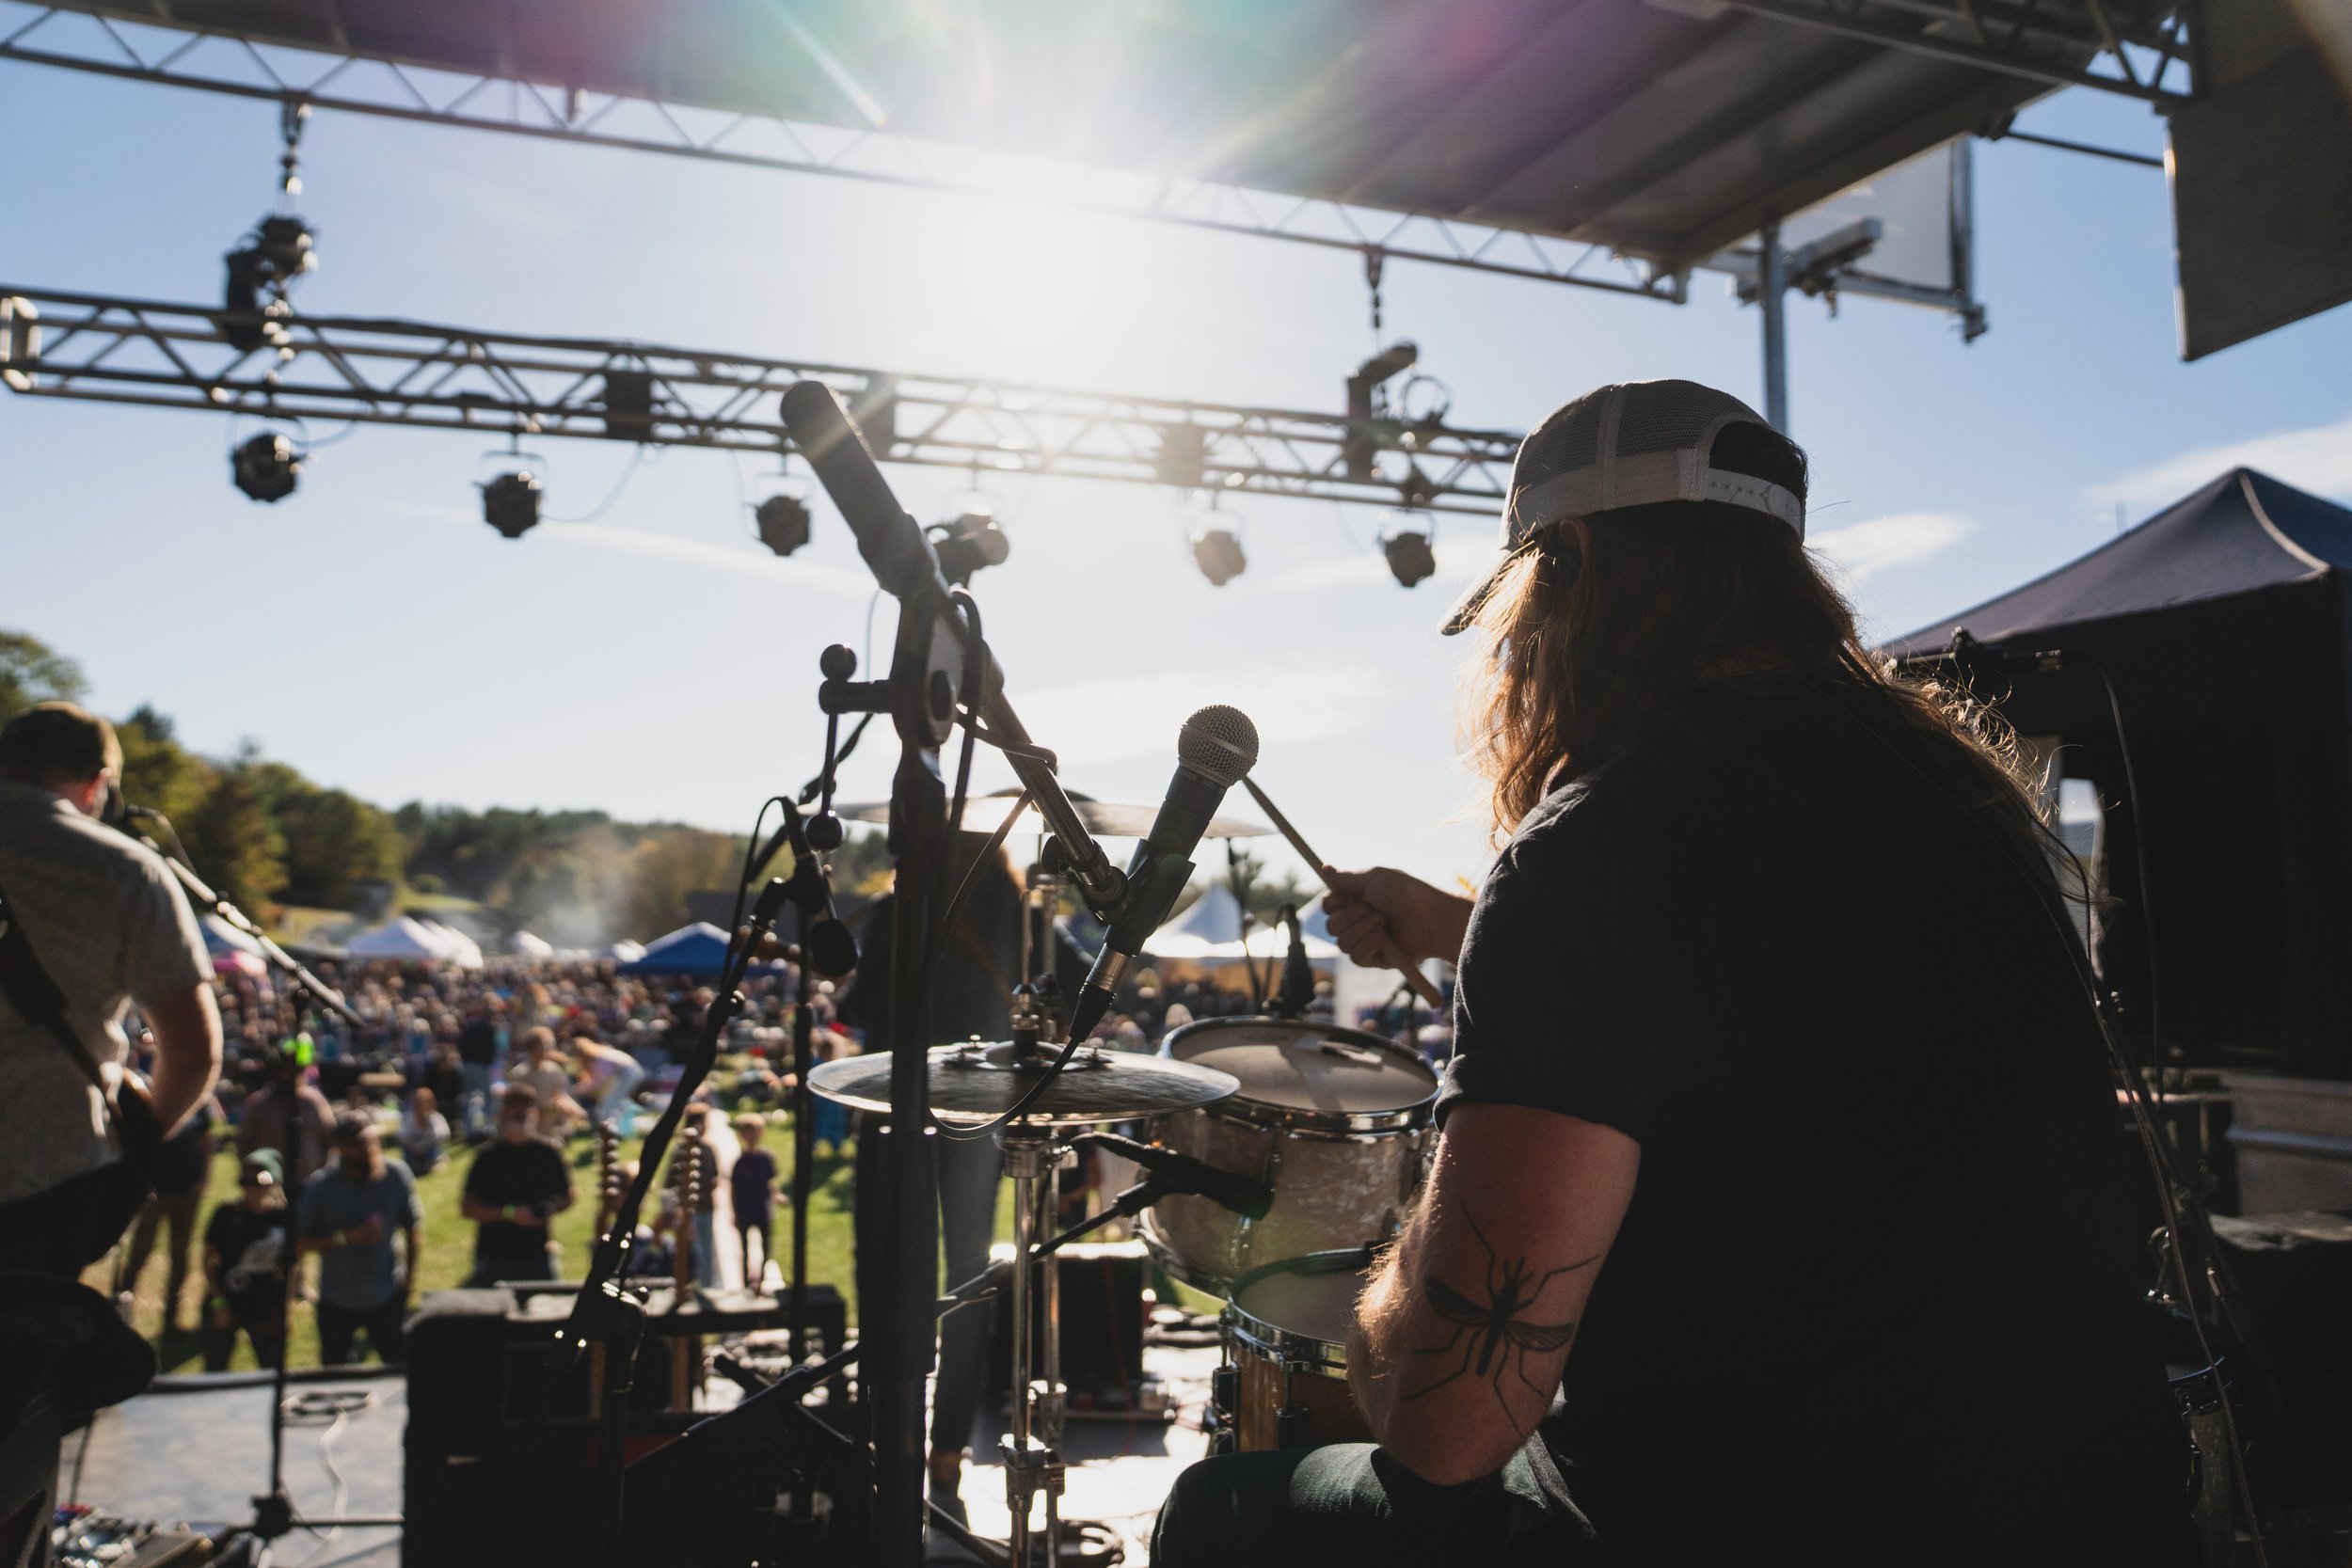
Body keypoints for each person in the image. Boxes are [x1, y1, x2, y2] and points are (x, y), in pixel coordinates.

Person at [1152, 380, 2193, 1565]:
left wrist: (1393, 1283)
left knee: (1222, 1511)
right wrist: (1458, 921)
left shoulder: (1597, 843)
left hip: (1759, 1520)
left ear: (1571, 564)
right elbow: (1788, 989)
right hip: (2102, 1509)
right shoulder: (1960, 806)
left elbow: (1450, 1419)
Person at [0, 702, 222, 1275]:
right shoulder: (123, 869)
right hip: (43, 1176)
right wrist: (137, 1144)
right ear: (98, 782)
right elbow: (195, 1051)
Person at [295, 1114, 422, 1366]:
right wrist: (347, 1237)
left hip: (386, 1292)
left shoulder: (396, 1175)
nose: (370, 1148)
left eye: (373, 1140)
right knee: (335, 1372)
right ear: (342, 1148)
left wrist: (409, 1278)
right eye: (361, 1144)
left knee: (398, 1367)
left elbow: (413, 1227)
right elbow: (300, 1242)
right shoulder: (321, 1186)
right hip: (337, 1299)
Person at [121, 1085, 216, 1333]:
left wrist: (203, 1178)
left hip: (187, 1192)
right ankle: (119, 1310)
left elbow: (207, 1140)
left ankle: (171, 1319)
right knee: (139, 1252)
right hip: (155, 1192)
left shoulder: (200, 1100)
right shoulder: (151, 1094)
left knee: (180, 1256)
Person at [459, 1083, 574, 1285]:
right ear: (503, 1112)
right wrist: (510, 1213)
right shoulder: (488, 1156)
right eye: (513, 1105)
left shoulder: (548, 1153)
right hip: (494, 1256)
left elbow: (568, 1195)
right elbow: (468, 1208)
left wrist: (550, 1209)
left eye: (526, 1106)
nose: (519, 1112)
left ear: (536, 1112)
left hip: (537, 1254)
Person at [200, 1150, 288, 1371]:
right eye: (245, 1181)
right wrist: (218, 1303)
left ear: (274, 1181)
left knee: (271, 1370)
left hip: (266, 1304)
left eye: (260, 1180)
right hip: (228, 1299)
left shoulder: (283, 1217)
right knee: (215, 1371)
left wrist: (286, 1309)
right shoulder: (226, 1214)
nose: (252, 1188)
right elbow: (208, 1260)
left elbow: (293, 1265)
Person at [238, 1037, 336, 1187]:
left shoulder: (314, 1102)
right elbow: (245, 1144)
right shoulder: (260, 1104)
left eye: (290, 1070)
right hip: (271, 1183)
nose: (286, 1075)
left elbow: (330, 1139)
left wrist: (325, 1175)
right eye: (281, 1070)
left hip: (310, 1181)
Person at [508, 1026, 583, 1142]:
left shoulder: (553, 1070)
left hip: (551, 1126)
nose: (547, 1049)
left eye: (549, 1045)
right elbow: (515, 1103)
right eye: (543, 1045)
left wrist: (574, 1109)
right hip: (529, 1127)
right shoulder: (520, 1073)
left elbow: (561, 1094)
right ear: (532, 1047)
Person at [730, 1113, 778, 1282]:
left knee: (766, 1246)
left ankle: (763, 1276)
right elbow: (733, 1188)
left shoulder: (766, 1158)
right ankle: (744, 1278)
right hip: (745, 1209)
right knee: (744, 1248)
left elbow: (770, 1181)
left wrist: (776, 1196)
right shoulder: (740, 1161)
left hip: (762, 1208)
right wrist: (734, 1213)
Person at [454, 1003, 501, 1138]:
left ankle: (468, 1130)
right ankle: (488, 1128)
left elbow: (460, 1045)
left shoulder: (469, 1026)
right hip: (481, 1066)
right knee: (487, 1098)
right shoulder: (488, 1028)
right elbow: (491, 1049)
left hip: (466, 1065)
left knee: (468, 1098)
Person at [399, 1085, 450, 1176]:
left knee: (435, 1149)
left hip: (429, 1148)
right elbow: (402, 1136)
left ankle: (434, 1162)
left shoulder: (435, 1117)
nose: (420, 1106)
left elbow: (443, 1135)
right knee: (407, 1151)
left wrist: (424, 1145)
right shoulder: (409, 1118)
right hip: (414, 1149)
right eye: (417, 1103)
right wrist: (415, 1147)